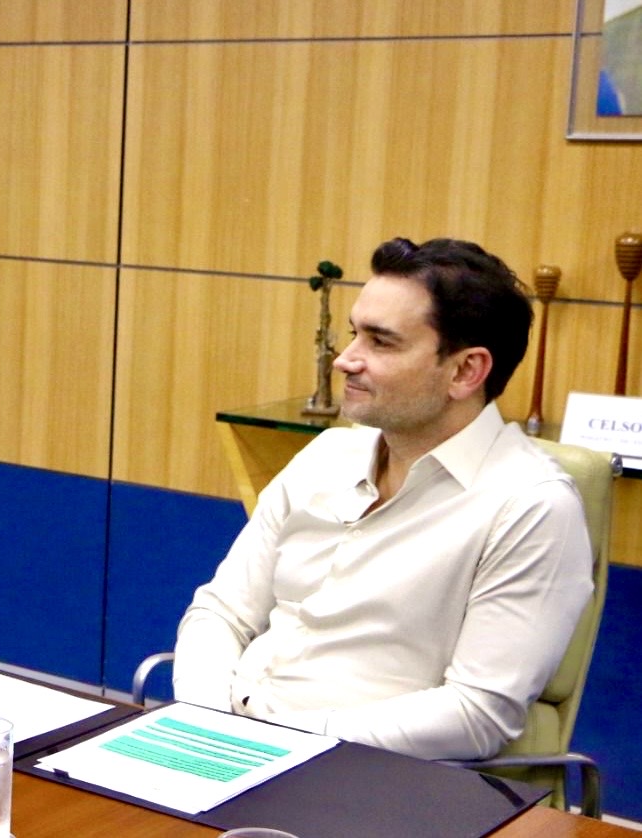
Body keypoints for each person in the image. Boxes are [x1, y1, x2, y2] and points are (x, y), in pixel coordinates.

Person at [171, 237, 594, 761]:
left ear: (466, 371)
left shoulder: (531, 506)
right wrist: (204, 722)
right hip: (224, 741)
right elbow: (221, 612)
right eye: (355, 334)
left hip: (359, 773)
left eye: (381, 342)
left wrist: (283, 742)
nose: (345, 360)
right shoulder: (328, 454)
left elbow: (477, 714)